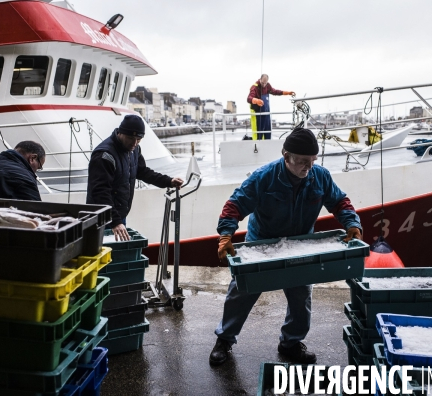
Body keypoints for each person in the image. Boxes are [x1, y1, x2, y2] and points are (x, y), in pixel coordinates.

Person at [209, 127, 362, 366]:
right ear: (285, 155)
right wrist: (226, 236)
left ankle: (290, 343)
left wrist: (352, 224)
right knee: (240, 293)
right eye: (302, 161)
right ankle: (224, 340)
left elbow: (340, 201)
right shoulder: (263, 177)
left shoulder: (320, 176)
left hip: (300, 245)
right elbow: (234, 205)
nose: (307, 167)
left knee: (301, 298)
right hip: (262, 244)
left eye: (312, 161)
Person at [87, 115, 184, 241]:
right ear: (120, 133)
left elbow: (142, 171)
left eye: (139, 139)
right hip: (101, 219)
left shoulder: (133, 149)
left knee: (118, 255)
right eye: (131, 138)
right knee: (107, 258)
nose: (134, 143)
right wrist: (115, 221)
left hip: (118, 216)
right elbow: (100, 192)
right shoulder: (104, 155)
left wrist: (168, 181)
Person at [247, 74, 295, 140]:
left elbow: (275, 92)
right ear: (260, 80)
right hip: (257, 114)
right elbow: (249, 98)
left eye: (265, 83)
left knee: (267, 132)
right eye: (262, 83)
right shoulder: (254, 87)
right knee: (258, 134)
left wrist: (287, 93)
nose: (264, 85)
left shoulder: (268, 86)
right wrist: (256, 100)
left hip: (266, 113)